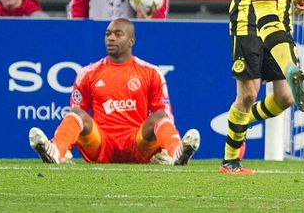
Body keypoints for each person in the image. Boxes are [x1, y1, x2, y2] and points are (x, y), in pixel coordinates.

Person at [29, 18, 199, 165]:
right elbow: (76, 116)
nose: (111, 38)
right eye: (108, 34)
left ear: (131, 41)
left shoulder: (151, 72)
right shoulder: (88, 73)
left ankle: (176, 153)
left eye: (118, 34)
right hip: (101, 144)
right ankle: (56, 152)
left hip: (137, 144)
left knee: (159, 117)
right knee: (76, 114)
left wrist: (162, 147)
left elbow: (166, 117)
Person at [220, 0, 304, 174]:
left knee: (286, 97)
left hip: (280, 25)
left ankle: (240, 121)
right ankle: (230, 161)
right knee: (249, 93)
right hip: (247, 20)